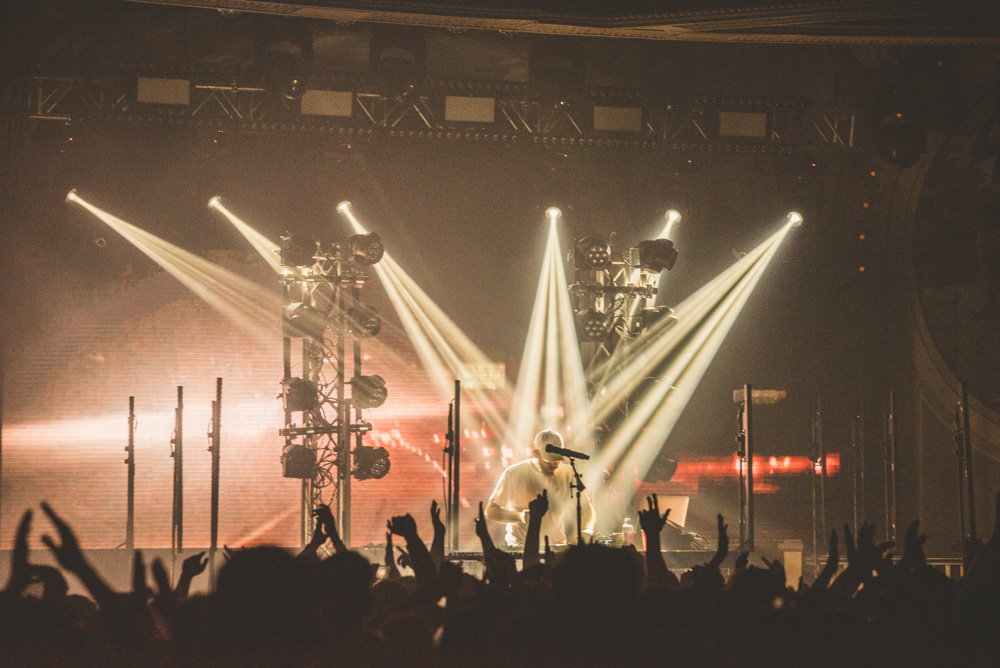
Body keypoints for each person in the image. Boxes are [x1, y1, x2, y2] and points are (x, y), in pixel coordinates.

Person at [485, 429, 596, 547]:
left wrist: (587, 530)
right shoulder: (513, 473)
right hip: (521, 547)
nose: (555, 463)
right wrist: (518, 516)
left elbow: (588, 509)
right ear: (536, 453)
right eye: (550, 459)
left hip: (557, 547)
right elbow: (490, 511)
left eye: (558, 459)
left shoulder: (568, 472)